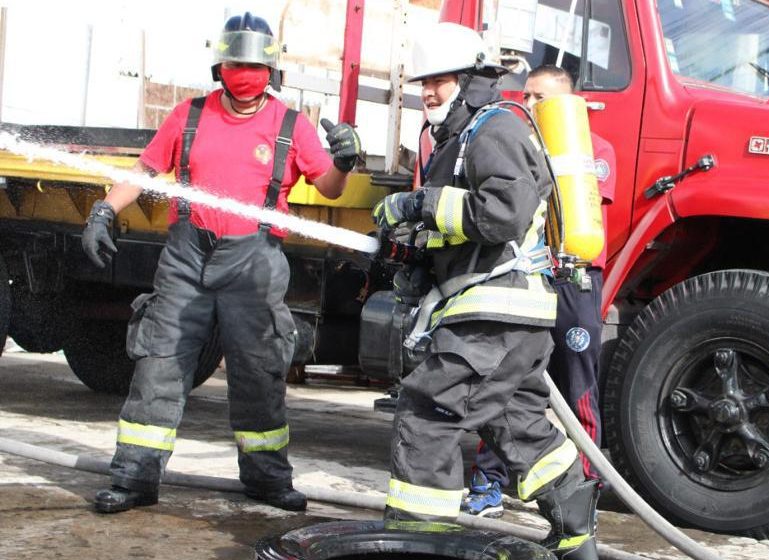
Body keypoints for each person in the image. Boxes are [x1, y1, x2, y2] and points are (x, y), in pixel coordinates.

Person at [84, 12, 360, 514]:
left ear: (271, 70)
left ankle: (268, 480)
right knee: (159, 366)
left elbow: (329, 188)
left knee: (258, 372)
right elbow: (144, 171)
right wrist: (104, 211)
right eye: (236, 62)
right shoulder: (188, 116)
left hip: (254, 264)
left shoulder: (291, 125)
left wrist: (342, 161)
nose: (245, 71)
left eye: (254, 64)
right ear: (220, 66)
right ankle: (134, 479)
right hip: (186, 258)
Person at [373, 23, 599, 560]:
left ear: (472, 78)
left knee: (427, 417)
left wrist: (420, 204)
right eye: (423, 82)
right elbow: (466, 228)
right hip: (510, 319)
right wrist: (413, 250)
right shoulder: (461, 135)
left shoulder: (493, 128)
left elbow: (503, 214)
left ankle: (416, 545)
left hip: (492, 316)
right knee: (517, 426)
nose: (428, 91)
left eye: (441, 80)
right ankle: (577, 538)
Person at [462, 64, 615, 519]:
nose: (528, 105)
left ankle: (585, 487)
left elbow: (578, 210)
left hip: (574, 279)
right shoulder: (511, 145)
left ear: (567, 103)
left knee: (577, 383)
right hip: (525, 273)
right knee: (506, 379)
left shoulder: (592, 148)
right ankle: (488, 482)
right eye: (525, 96)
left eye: (540, 98)